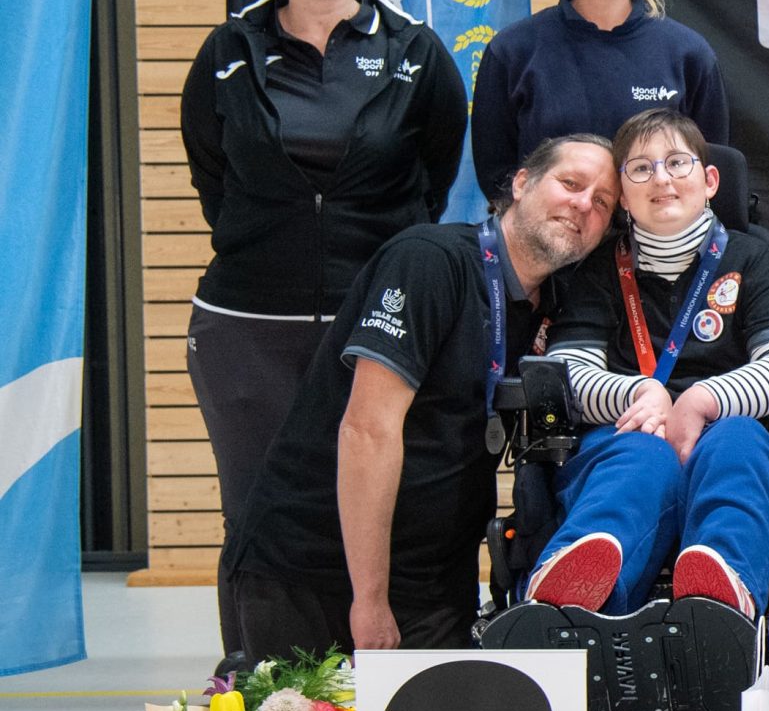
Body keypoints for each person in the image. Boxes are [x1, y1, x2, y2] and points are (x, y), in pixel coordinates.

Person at [180, 0, 469, 661]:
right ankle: (256, 696)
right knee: (257, 511)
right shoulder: (230, 50)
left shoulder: (414, 52)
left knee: (375, 507)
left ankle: (371, 686)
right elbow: (216, 177)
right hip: (248, 324)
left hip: (371, 323)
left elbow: (433, 180)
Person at [222, 137, 618, 657]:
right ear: (522, 183)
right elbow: (367, 429)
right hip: (320, 572)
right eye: (570, 183)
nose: (584, 204)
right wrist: (370, 598)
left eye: (604, 202)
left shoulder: (556, 306)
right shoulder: (429, 261)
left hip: (433, 583)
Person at [520, 110, 769, 616]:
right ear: (624, 195)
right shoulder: (599, 267)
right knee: (640, 457)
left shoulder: (752, 257)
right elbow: (567, 370)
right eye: (640, 169)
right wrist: (639, 393)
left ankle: (720, 598)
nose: (661, 179)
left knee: (736, 442)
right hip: (627, 435)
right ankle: (570, 603)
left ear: (710, 180)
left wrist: (704, 400)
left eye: (678, 163)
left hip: (727, 431)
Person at [472, 0, 728, 205]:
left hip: (659, 252)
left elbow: (709, 170)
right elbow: (498, 179)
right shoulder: (512, 52)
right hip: (552, 252)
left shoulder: (688, 54)